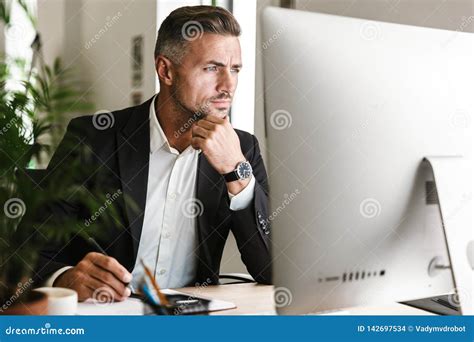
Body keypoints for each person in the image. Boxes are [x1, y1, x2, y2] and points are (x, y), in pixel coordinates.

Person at [34, 5, 272, 301]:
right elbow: (27, 252)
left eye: (235, 69)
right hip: (106, 316)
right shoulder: (93, 138)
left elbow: (272, 269)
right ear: (166, 70)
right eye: (212, 68)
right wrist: (65, 278)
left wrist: (236, 171)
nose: (228, 85)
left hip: (190, 321)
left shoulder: (242, 149)